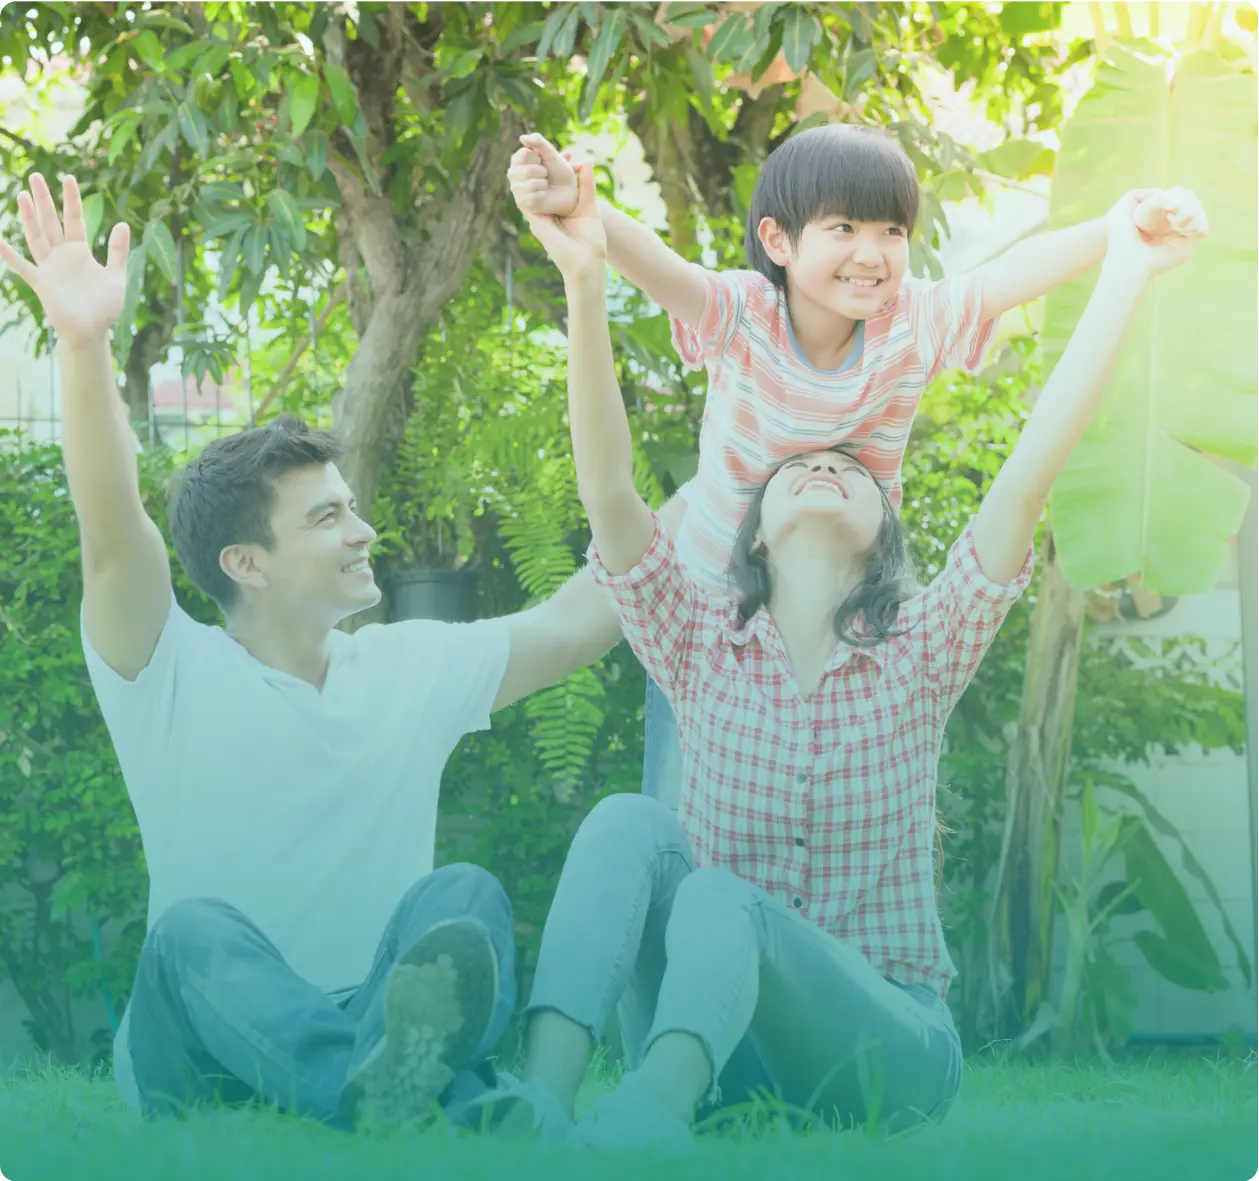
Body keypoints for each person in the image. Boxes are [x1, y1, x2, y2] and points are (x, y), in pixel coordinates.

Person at [484, 159, 1202, 1149]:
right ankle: (540, 1098)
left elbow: (1030, 468)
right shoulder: (696, 645)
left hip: (887, 1048)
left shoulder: (922, 650)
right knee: (625, 821)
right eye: (797, 468)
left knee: (723, 897)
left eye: (849, 466)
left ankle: (650, 1104)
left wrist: (1121, 264)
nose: (824, 460)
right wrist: (583, 280)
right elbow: (609, 494)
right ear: (751, 530)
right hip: (726, 1053)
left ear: (882, 528)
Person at [0, 173, 650, 1131]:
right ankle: (415, 1096)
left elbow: (573, 622)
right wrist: (84, 341)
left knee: (462, 895)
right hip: (204, 1044)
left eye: (351, 507)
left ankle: (391, 1092)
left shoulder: (403, 669)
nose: (364, 530)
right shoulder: (165, 671)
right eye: (328, 516)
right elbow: (112, 532)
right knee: (189, 936)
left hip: (369, 1004)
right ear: (245, 563)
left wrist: (726, 479)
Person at [508, 126, 1205, 811]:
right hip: (715, 598)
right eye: (842, 228)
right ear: (779, 242)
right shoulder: (744, 314)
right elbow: (662, 269)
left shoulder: (910, 322)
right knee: (682, 800)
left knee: (839, 780)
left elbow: (1003, 279)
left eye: (891, 232)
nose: (871, 254)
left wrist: (1114, 232)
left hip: (843, 597)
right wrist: (583, 208)